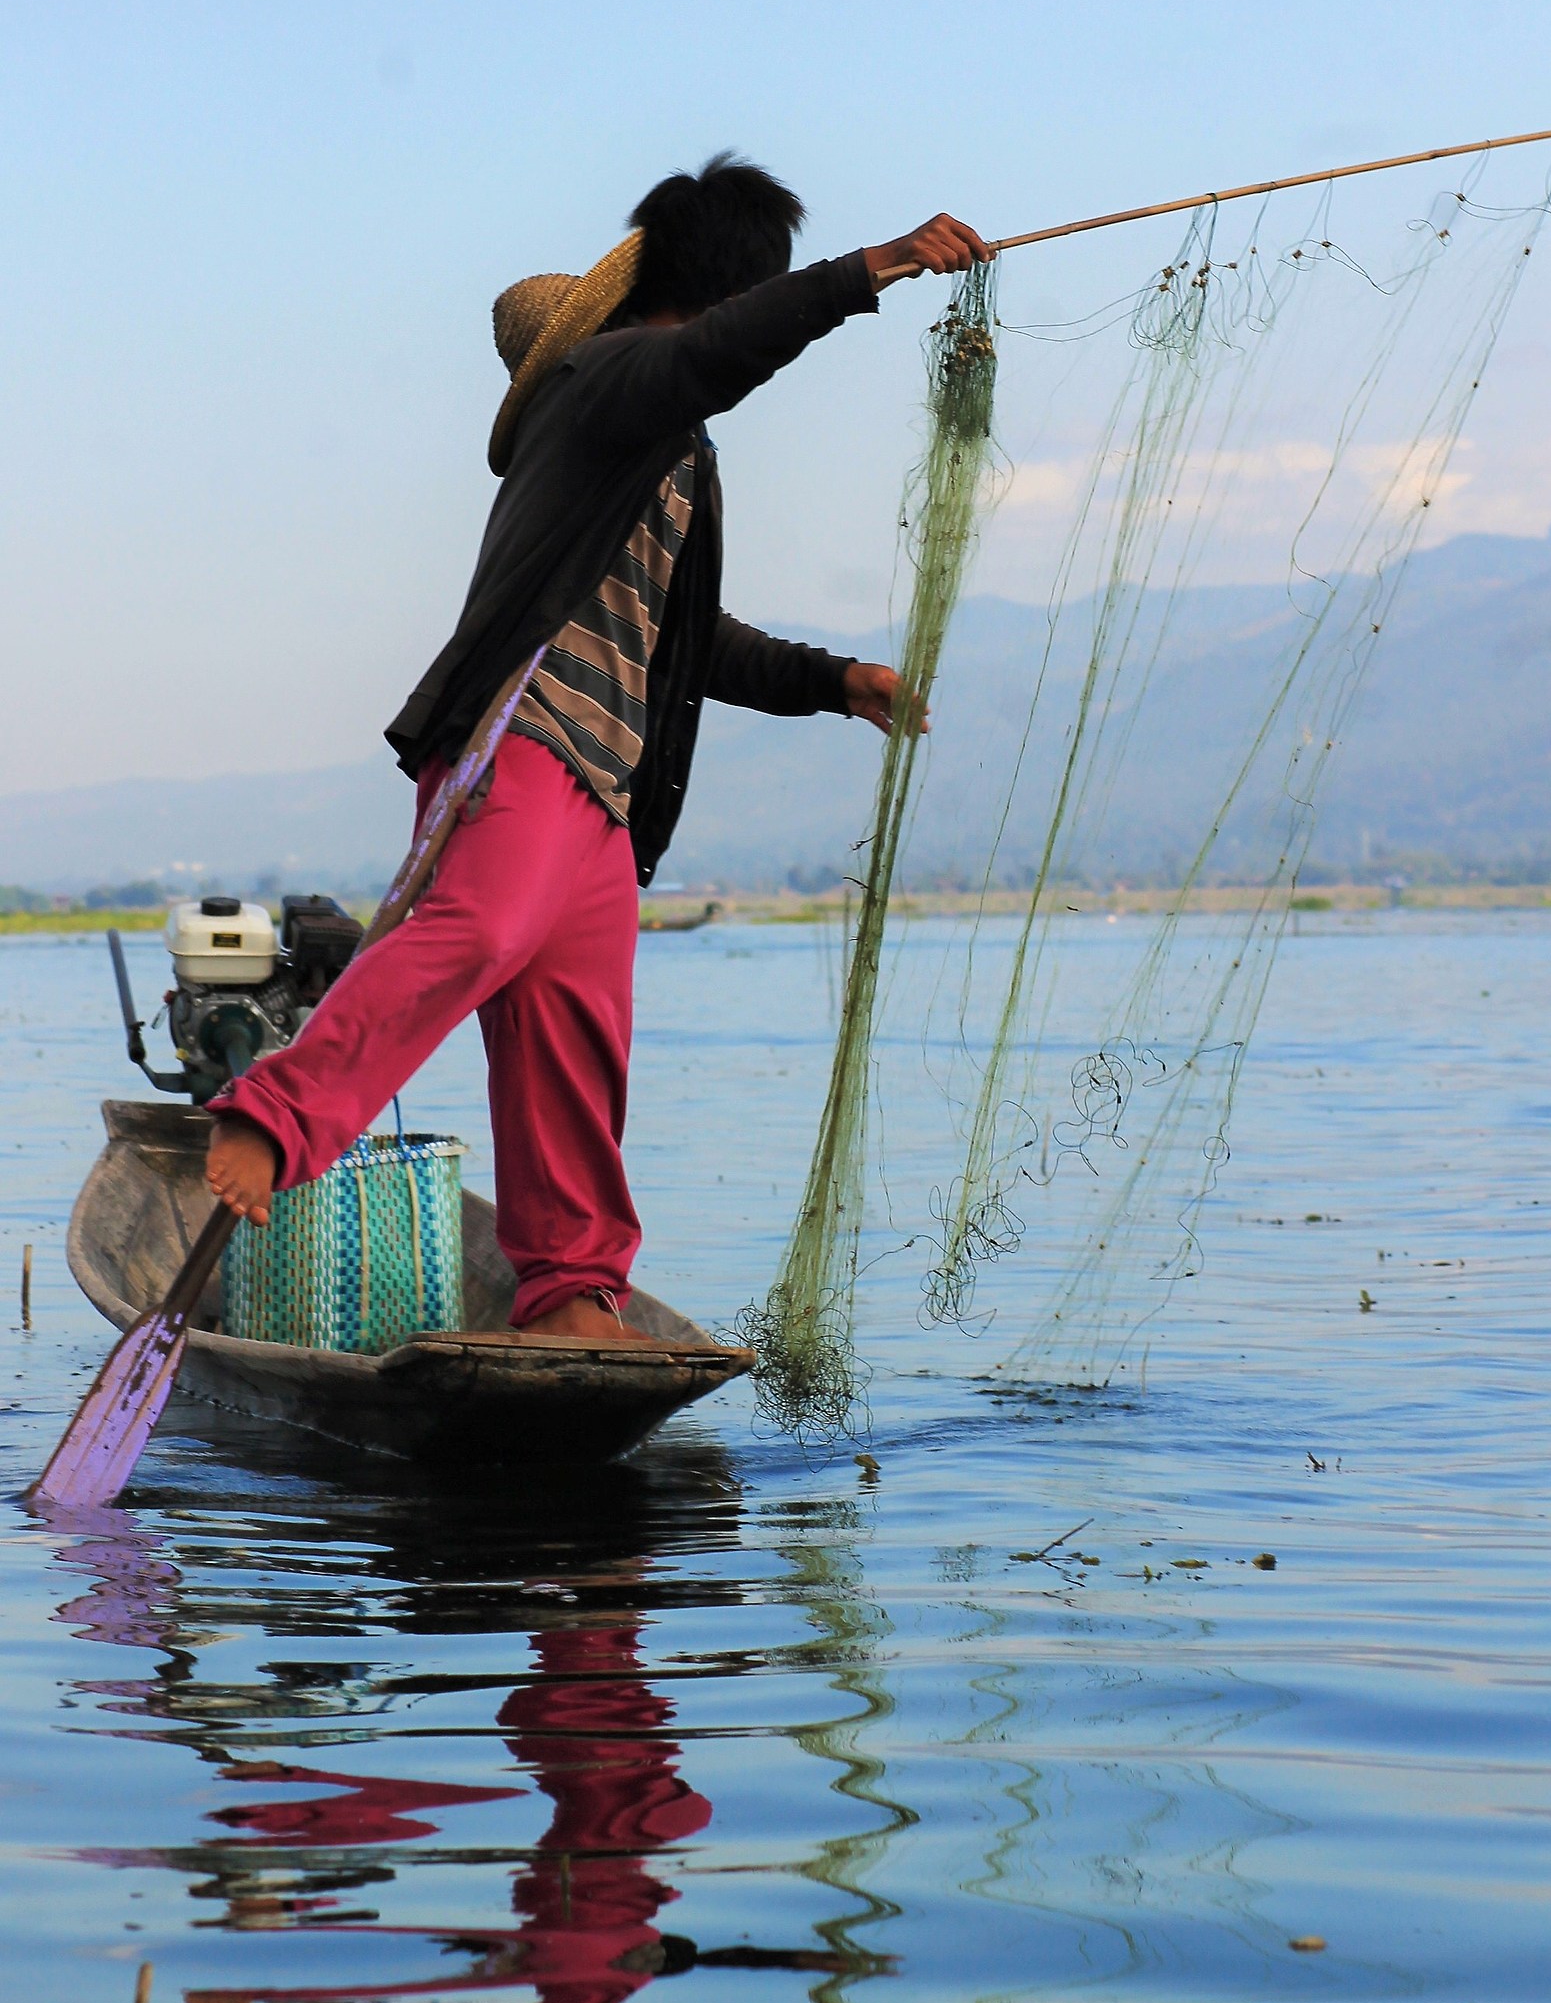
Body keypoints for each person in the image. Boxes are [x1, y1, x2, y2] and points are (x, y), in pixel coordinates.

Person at [204, 154, 989, 1343]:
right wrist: (868, 270)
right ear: (733, 287)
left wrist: (834, 683)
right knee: (480, 929)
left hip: (604, 785)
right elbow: (716, 355)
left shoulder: (667, 448)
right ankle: (274, 1116)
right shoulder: (608, 375)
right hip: (517, 739)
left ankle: (571, 1292)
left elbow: (687, 641)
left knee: (575, 1042)